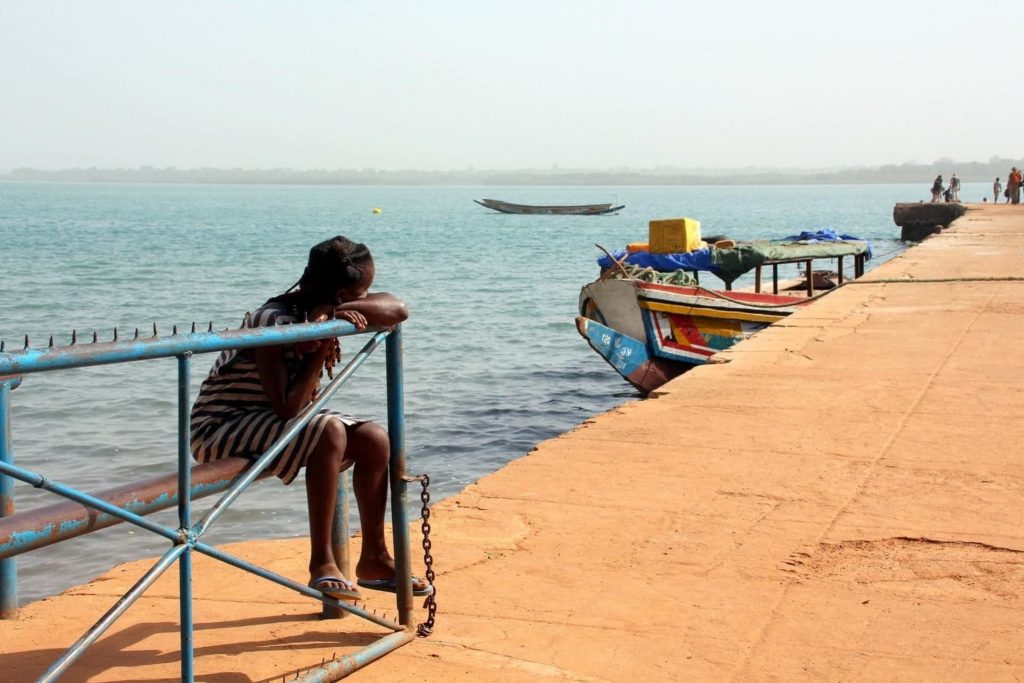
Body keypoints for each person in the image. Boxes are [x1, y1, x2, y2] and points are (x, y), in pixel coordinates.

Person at [190, 235, 429, 601]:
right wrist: (320, 341)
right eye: (359, 294)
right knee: (329, 430)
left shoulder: (321, 310)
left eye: (363, 295)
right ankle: (322, 563)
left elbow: (398, 308)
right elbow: (287, 407)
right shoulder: (272, 321)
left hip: (271, 421)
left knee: (374, 438)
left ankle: (375, 558)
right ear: (338, 294)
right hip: (221, 426)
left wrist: (328, 314)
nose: (364, 301)